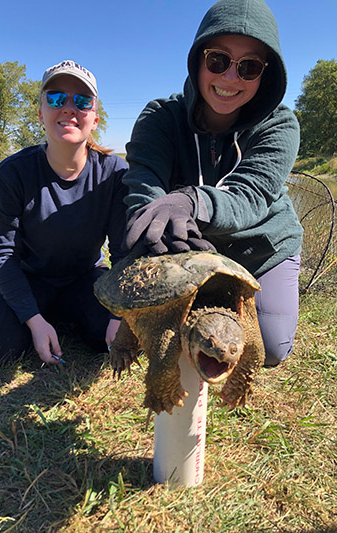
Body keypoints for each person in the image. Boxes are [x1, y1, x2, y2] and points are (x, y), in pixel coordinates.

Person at [122, 0, 303, 367]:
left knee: (268, 348)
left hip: (261, 249)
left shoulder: (280, 125)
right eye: (217, 60)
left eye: (249, 67)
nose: (230, 78)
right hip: (189, 250)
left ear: (265, 75)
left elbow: (251, 196)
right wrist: (156, 227)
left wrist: (191, 201)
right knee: (154, 334)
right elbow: (144, 182)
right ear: (197, 59)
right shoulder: (160, 117)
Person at [0, 59, 128, 370]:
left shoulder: (115, 174)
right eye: (56, 98)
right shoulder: (12, 174)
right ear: (41, 114)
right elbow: (2, 254)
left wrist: (118, 315)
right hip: (26, 277)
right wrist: (33, 320)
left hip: (84, 276)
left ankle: (66, 316)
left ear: (94, 118)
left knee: (117, 341)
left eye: (82, 100)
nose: (69, 108)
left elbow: (124, 250)